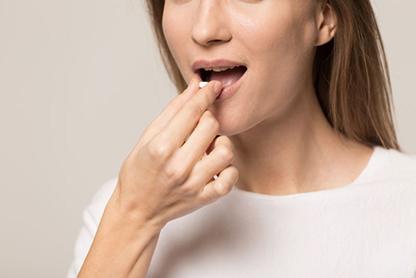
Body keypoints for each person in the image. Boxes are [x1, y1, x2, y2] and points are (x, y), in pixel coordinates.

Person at [67, 0, 416, 277]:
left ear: (323, 18)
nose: (204, 30)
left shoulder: (406, 209)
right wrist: (134, 217)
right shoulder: (119, 213)